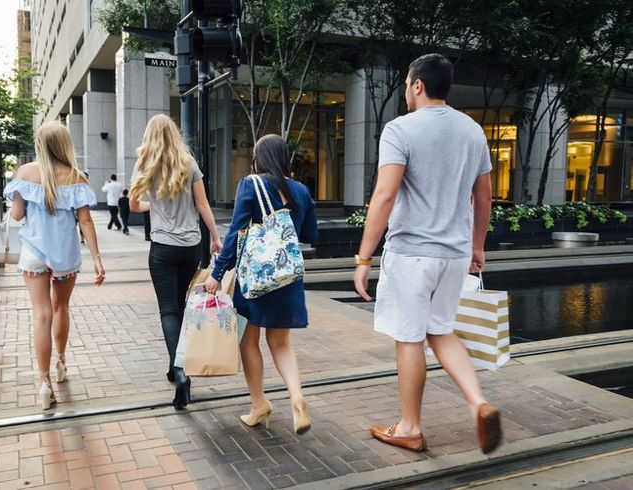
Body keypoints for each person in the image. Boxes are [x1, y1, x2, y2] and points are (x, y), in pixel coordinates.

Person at [353, 54, 501, 454]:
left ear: (418, 85)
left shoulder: (400, 129)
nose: (405, 90)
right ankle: (478, 402)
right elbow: (483, 195)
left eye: (406, 83)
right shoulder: (473, 131)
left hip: (413, 253)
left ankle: (410, 427)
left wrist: (364, 257)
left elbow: (384, 196)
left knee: (410, 337)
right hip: (453, 255)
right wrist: (477, 246)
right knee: (441, 330)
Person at [204, 134, 317, 435]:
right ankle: (297, 397)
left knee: (248, 341)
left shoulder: (251, 184)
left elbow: (236, 232)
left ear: (259, 158)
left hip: (255, 279)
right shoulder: (302, 190)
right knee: (280, 343)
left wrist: (217, 272)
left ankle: (259, 404)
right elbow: (309, 235)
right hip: (287, 277)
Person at [4, 121, 105, 410]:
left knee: (41, 315)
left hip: (34, 253)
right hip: (65, 256)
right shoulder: (76, 177)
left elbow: (18, 215)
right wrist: (97, 259)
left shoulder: (25, 173)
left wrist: (19, 203)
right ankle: (61, 362)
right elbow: (85, 221)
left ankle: (44, 383)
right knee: (61, 308)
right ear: (64, 144)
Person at [129, 114, 222, 409]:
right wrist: (216, 237)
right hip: (191, 246)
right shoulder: (189, 163)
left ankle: (180, 373)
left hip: (162, 249)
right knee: (181, 306)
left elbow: (133, 204)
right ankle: (176, 366)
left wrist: (151, 206)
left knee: (169, 311)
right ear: (174, 134)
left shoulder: (145, 163)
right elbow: (202, 204)